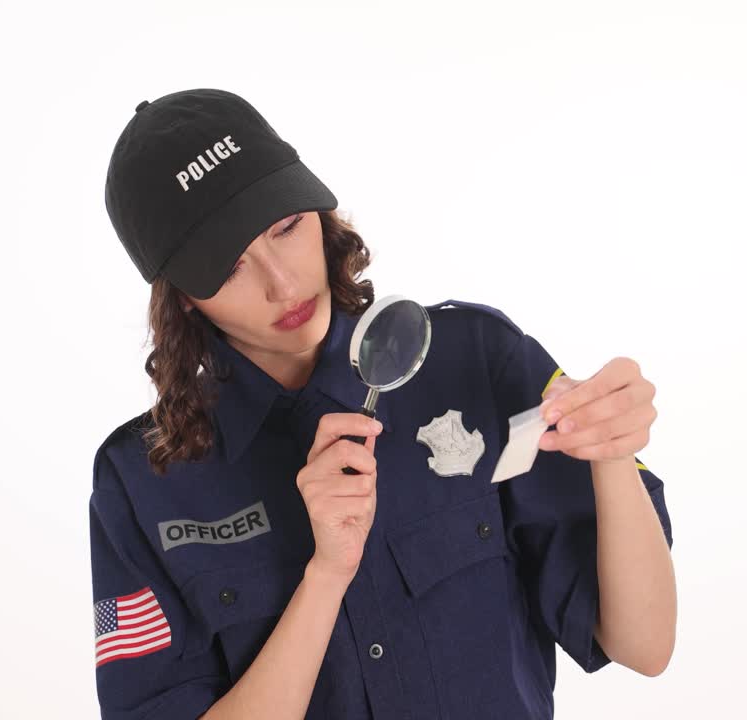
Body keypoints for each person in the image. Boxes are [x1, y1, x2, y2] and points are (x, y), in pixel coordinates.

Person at [91, 88, 677, 720]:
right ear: (181, 298)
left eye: (286, 226)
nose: (283, 284)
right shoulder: (142, 483)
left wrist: (613, 457)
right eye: (230, 267)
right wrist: (326, 575)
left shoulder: (474, 359)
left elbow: (645, 646)